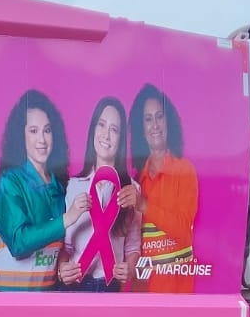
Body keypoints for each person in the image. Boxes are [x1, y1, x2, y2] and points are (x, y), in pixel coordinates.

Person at [0, 90, 88, 291]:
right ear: (20, 136)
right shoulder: (9, 183)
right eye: (33, 131)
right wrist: (68, 218)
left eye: (47, 130)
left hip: (44, 306)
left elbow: (57, 251)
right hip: (6, 305)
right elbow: (18, 243)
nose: (42, 139)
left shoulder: (60, 187)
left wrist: (62, 269)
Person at [58, 97, 142, 291]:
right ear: (93, 130)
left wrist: (129, 267)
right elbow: (65, 246)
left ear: (121, 139)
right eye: (101, 125)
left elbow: (132, 247)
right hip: (75, 287)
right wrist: (62, 268)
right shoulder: (73, 186)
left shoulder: (132, 190)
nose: (106, 135)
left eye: (114, 130)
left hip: (109, 286)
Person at [129, 84, 199, 293]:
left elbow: (184, 233)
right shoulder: (136, 179)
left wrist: (143, 205)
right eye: (148, 119)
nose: (155, 125)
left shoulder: (184, 170)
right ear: (141, 128)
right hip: (141, 294)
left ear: (169, 122)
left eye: (159, 116)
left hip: (175, 295)